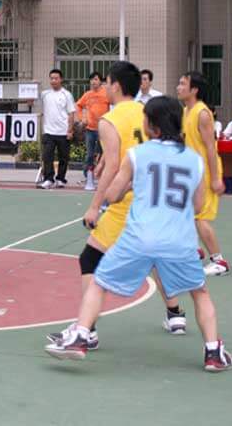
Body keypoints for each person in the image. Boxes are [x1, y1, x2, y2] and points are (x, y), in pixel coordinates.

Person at [45, 96, 232, 372]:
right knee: (200, 292)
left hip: (139, 237)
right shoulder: (194, 161)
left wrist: (131, 184)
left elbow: (112, 194)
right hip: (179, 241)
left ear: (152, 126)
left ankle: (81, 336)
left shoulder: (138, 155)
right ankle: (213, 352)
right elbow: (196, 205)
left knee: (98, 283)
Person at [47, 62, 186, 350]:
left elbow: (114, 167)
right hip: (154, 198)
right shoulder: (149, 113)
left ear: (117, 86)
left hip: (127, 202)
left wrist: (94, 206)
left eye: (108, 82)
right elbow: (131, 151)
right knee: (154, 258)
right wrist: (103, 162)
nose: (104, 87)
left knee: (89, 259)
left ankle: (88, 330)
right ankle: (175, 314)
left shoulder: (110, 120)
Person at [177, 72, 230, 277]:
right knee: (187, 213)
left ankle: (219, 261)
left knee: (200, 217)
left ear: (194, 90)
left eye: (183, 84)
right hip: (192, 170)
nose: (178, 87)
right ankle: (194, 250)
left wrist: (216, 178)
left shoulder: (202, 113)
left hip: (205, 172)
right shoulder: (186, 111)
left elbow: (210, 148)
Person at [37, 69, 75, 189]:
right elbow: (31, 100)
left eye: (56, 78)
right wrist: (31, 89)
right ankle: (49, 179)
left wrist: (70, 130)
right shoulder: (45, 94)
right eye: (51, 78)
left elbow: (71, 114)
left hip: (63, 132)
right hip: (48, 131)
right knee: (47, 156)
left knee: (64, 157)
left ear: (61, 79)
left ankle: (60, 179)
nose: (53, 81)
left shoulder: (67, 95)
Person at [76, 71, 110, 191]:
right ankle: (88, 177)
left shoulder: (106, 93)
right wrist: (82, 118)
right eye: (91, 79)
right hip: (90, 129)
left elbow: (113, 107)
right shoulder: (87, 94)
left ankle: (102, 177)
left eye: (96, 79)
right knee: (90, 154)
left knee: (103, 154)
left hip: (103, 130)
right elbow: (78, 105)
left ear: (100, 81)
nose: (93, 82)